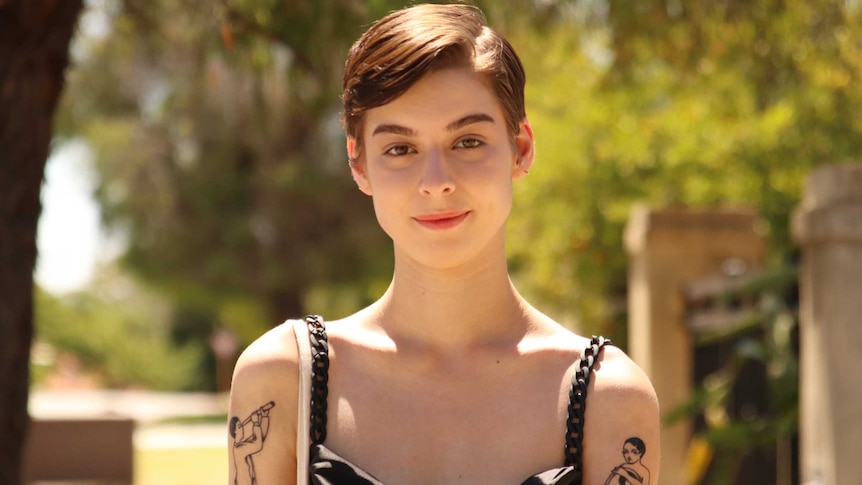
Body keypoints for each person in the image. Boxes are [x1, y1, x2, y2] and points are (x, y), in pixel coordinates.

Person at [228, 4, 660, 485]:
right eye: (400, 149)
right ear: (359, 164)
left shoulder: (608, 398)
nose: (436, 182)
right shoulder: (283, 379)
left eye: (468, 141)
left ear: (521, 148)